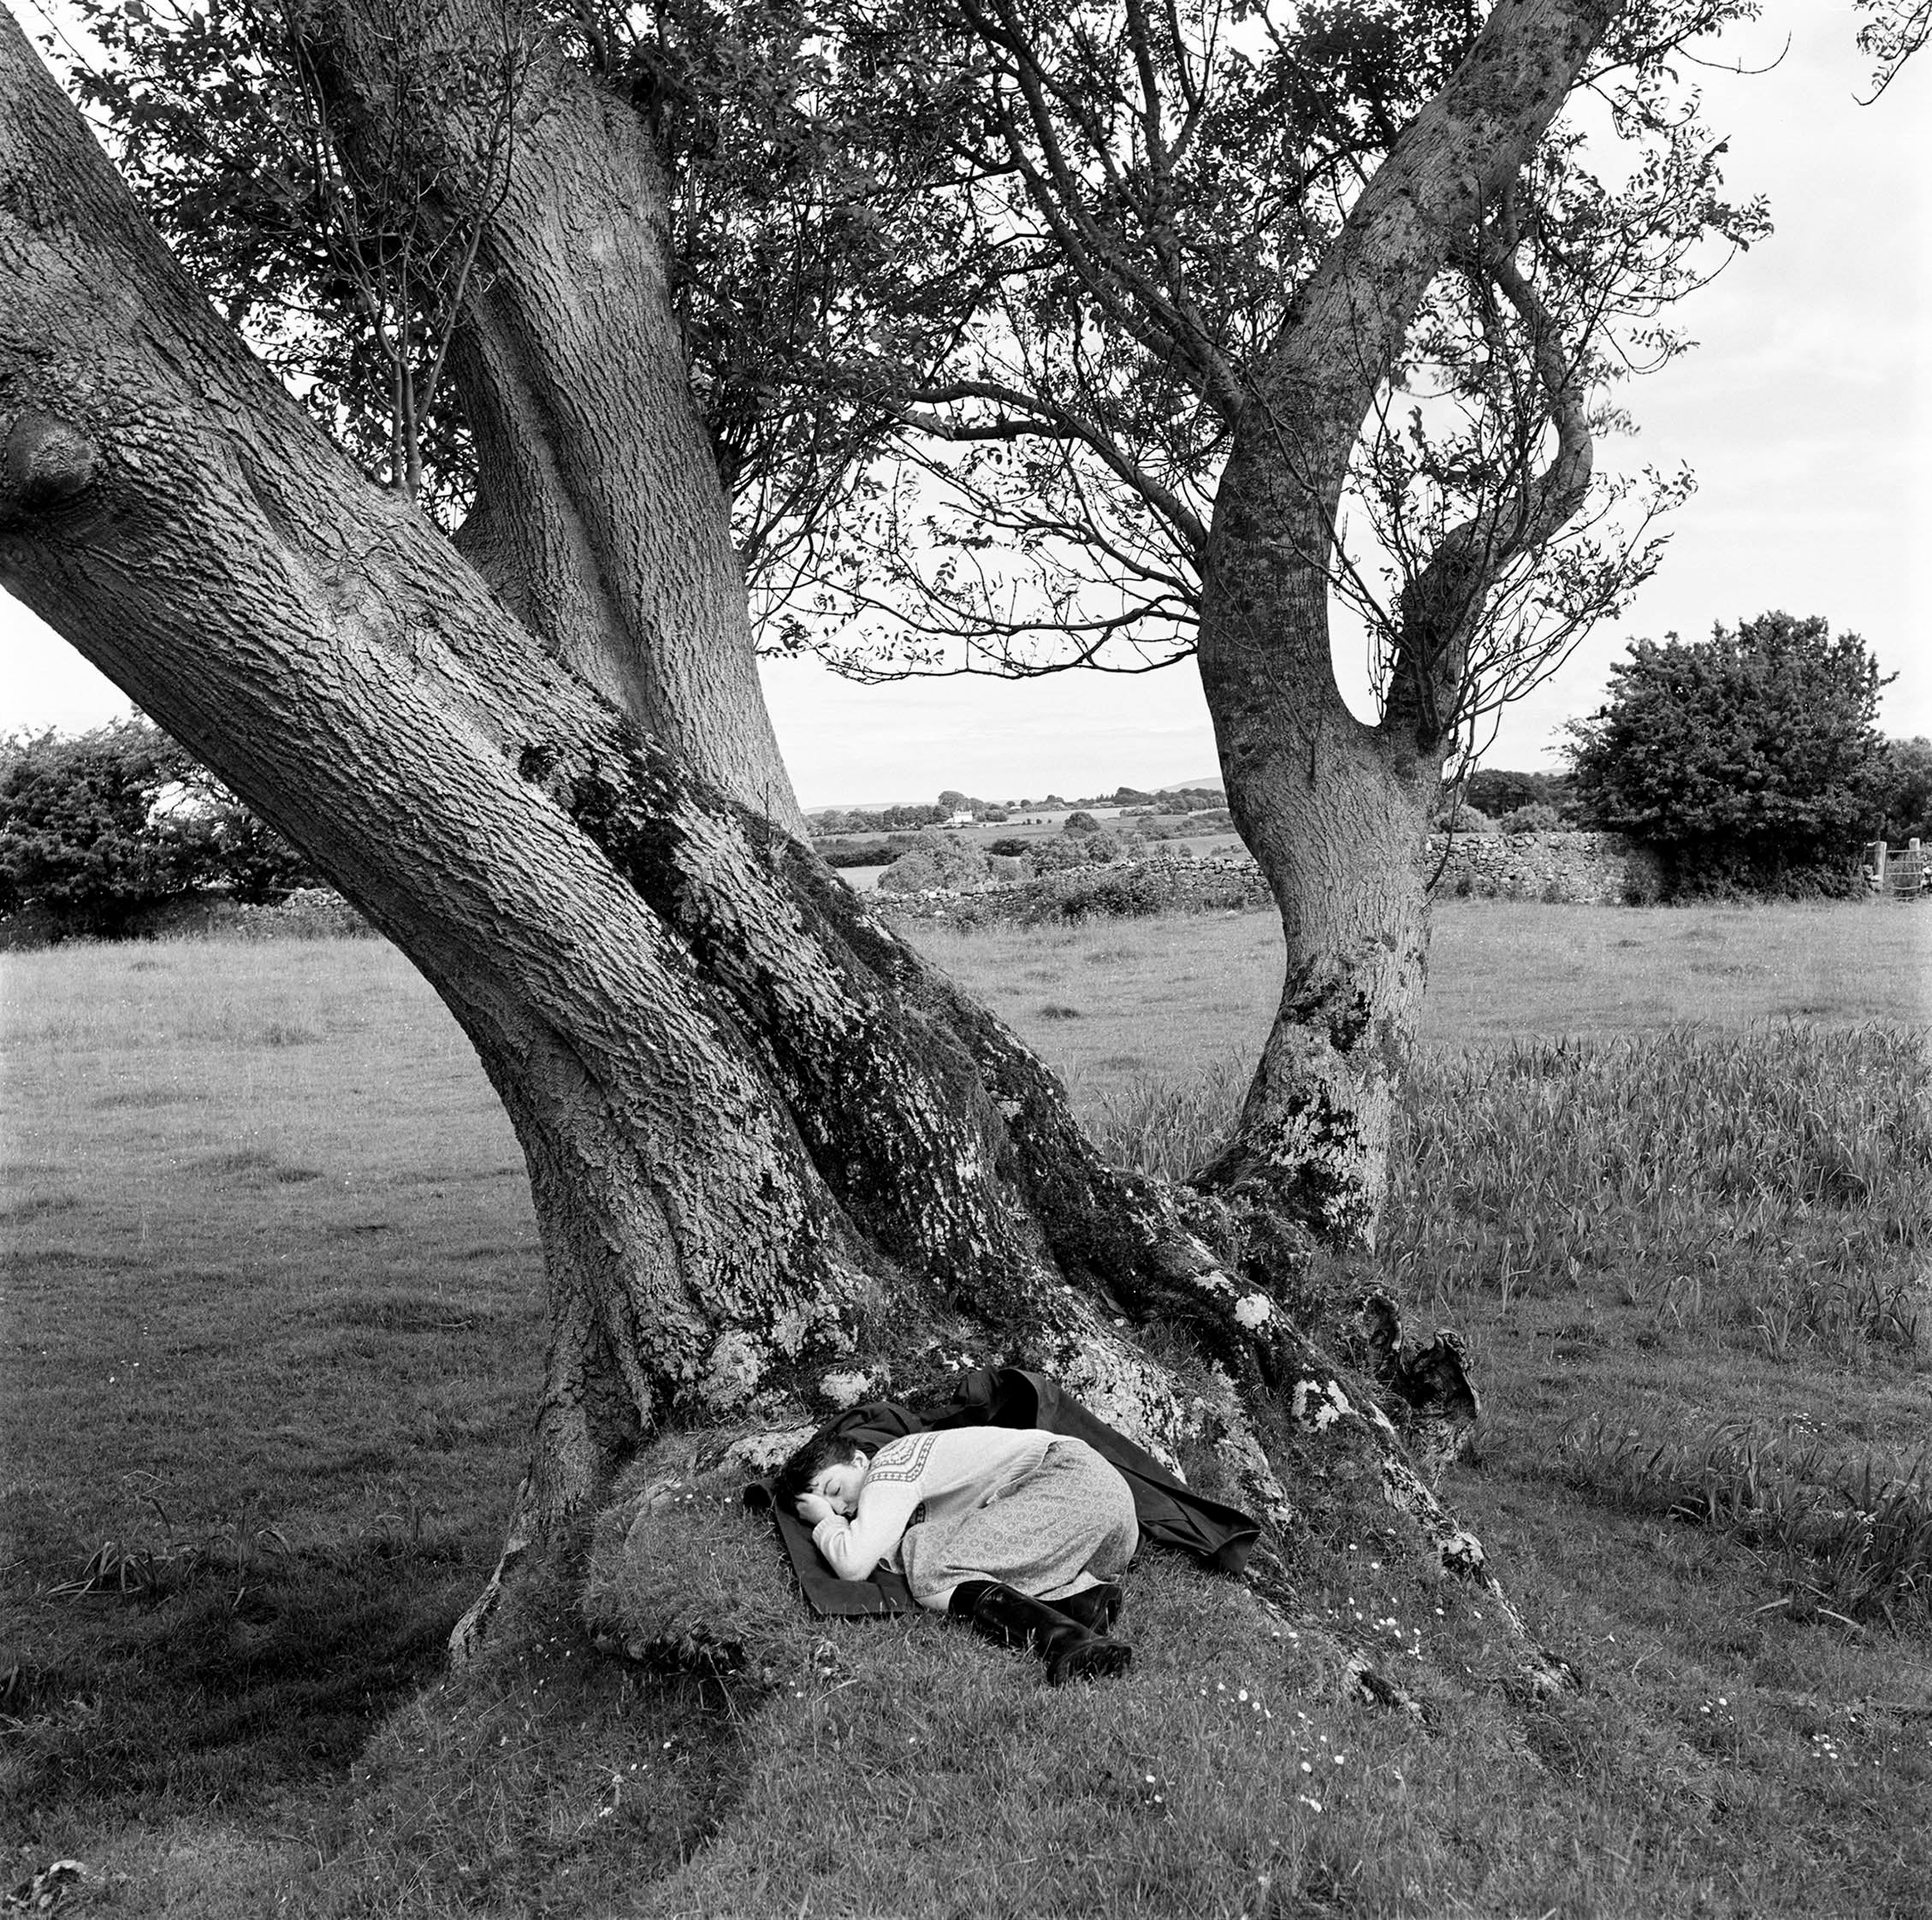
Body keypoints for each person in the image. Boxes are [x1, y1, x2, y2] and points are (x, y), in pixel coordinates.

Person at [773, 1424, 1138, 1684]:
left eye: (835, 1489)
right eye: (832, 1506)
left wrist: (824, 1522)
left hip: (1066, 1482)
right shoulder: (903, 1474)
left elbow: (853, 1565)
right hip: (1112, 1522)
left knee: (927, 1560)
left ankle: (1072, 1642)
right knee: (944, 1550)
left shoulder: (888, 1468)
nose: (841, 1507)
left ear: (857, 1461)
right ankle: (1082, 1604)